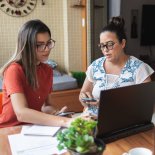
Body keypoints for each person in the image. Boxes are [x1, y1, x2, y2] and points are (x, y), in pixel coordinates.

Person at [0, 19, 74, 128]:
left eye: (48, 43)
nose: (46, 49)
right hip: (9, 129)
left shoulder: (48, 70)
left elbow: (46, 106)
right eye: (39, 45)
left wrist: (57, 113)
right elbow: (21, 113)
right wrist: (63, 121)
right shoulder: (14, 70)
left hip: (33, 128)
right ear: (26, 46)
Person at [79, 16, 154, 117]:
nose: (105, 49)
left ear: (122, 43)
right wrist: (84, 98)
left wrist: (109, 105)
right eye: (102, 45)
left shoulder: (139, 68)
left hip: (126, 122)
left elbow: (149, 105)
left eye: (110, 44)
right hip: (92, 121)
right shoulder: (95, 66)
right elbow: (83, 93)